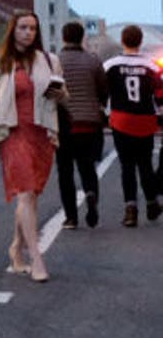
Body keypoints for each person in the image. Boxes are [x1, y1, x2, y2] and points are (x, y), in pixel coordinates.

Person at [0, 12, 65, 282]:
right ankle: (37, 259)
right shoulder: (0, 64)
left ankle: (16, 247)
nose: (28, 33)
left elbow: (60, 97)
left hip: (42, 134)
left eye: (33, 28)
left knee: (31, 196)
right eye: (23, 27)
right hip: (14, 134)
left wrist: (61, 93)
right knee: (24, 194)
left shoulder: (49, 61)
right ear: (13, 31)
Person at [101, 25, 162, 228]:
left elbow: (102, 91)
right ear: (141, 40)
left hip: (121, 119)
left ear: (123, 41)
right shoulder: (152, 66)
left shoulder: (111, 65)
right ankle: (152, 203)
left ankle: (131, 210)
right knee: (145, 164)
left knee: (127, 166)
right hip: (145, 120)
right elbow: (160, 95)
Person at [54, 22, 107, 230]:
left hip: (64, 124)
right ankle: (91, 193)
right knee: (87, 167)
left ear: (63, 37)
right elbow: (103, 89)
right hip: (89, 123)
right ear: (81, 37)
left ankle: (71, 217)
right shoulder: (93, 61)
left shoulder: (56, 62)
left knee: (65, 171)